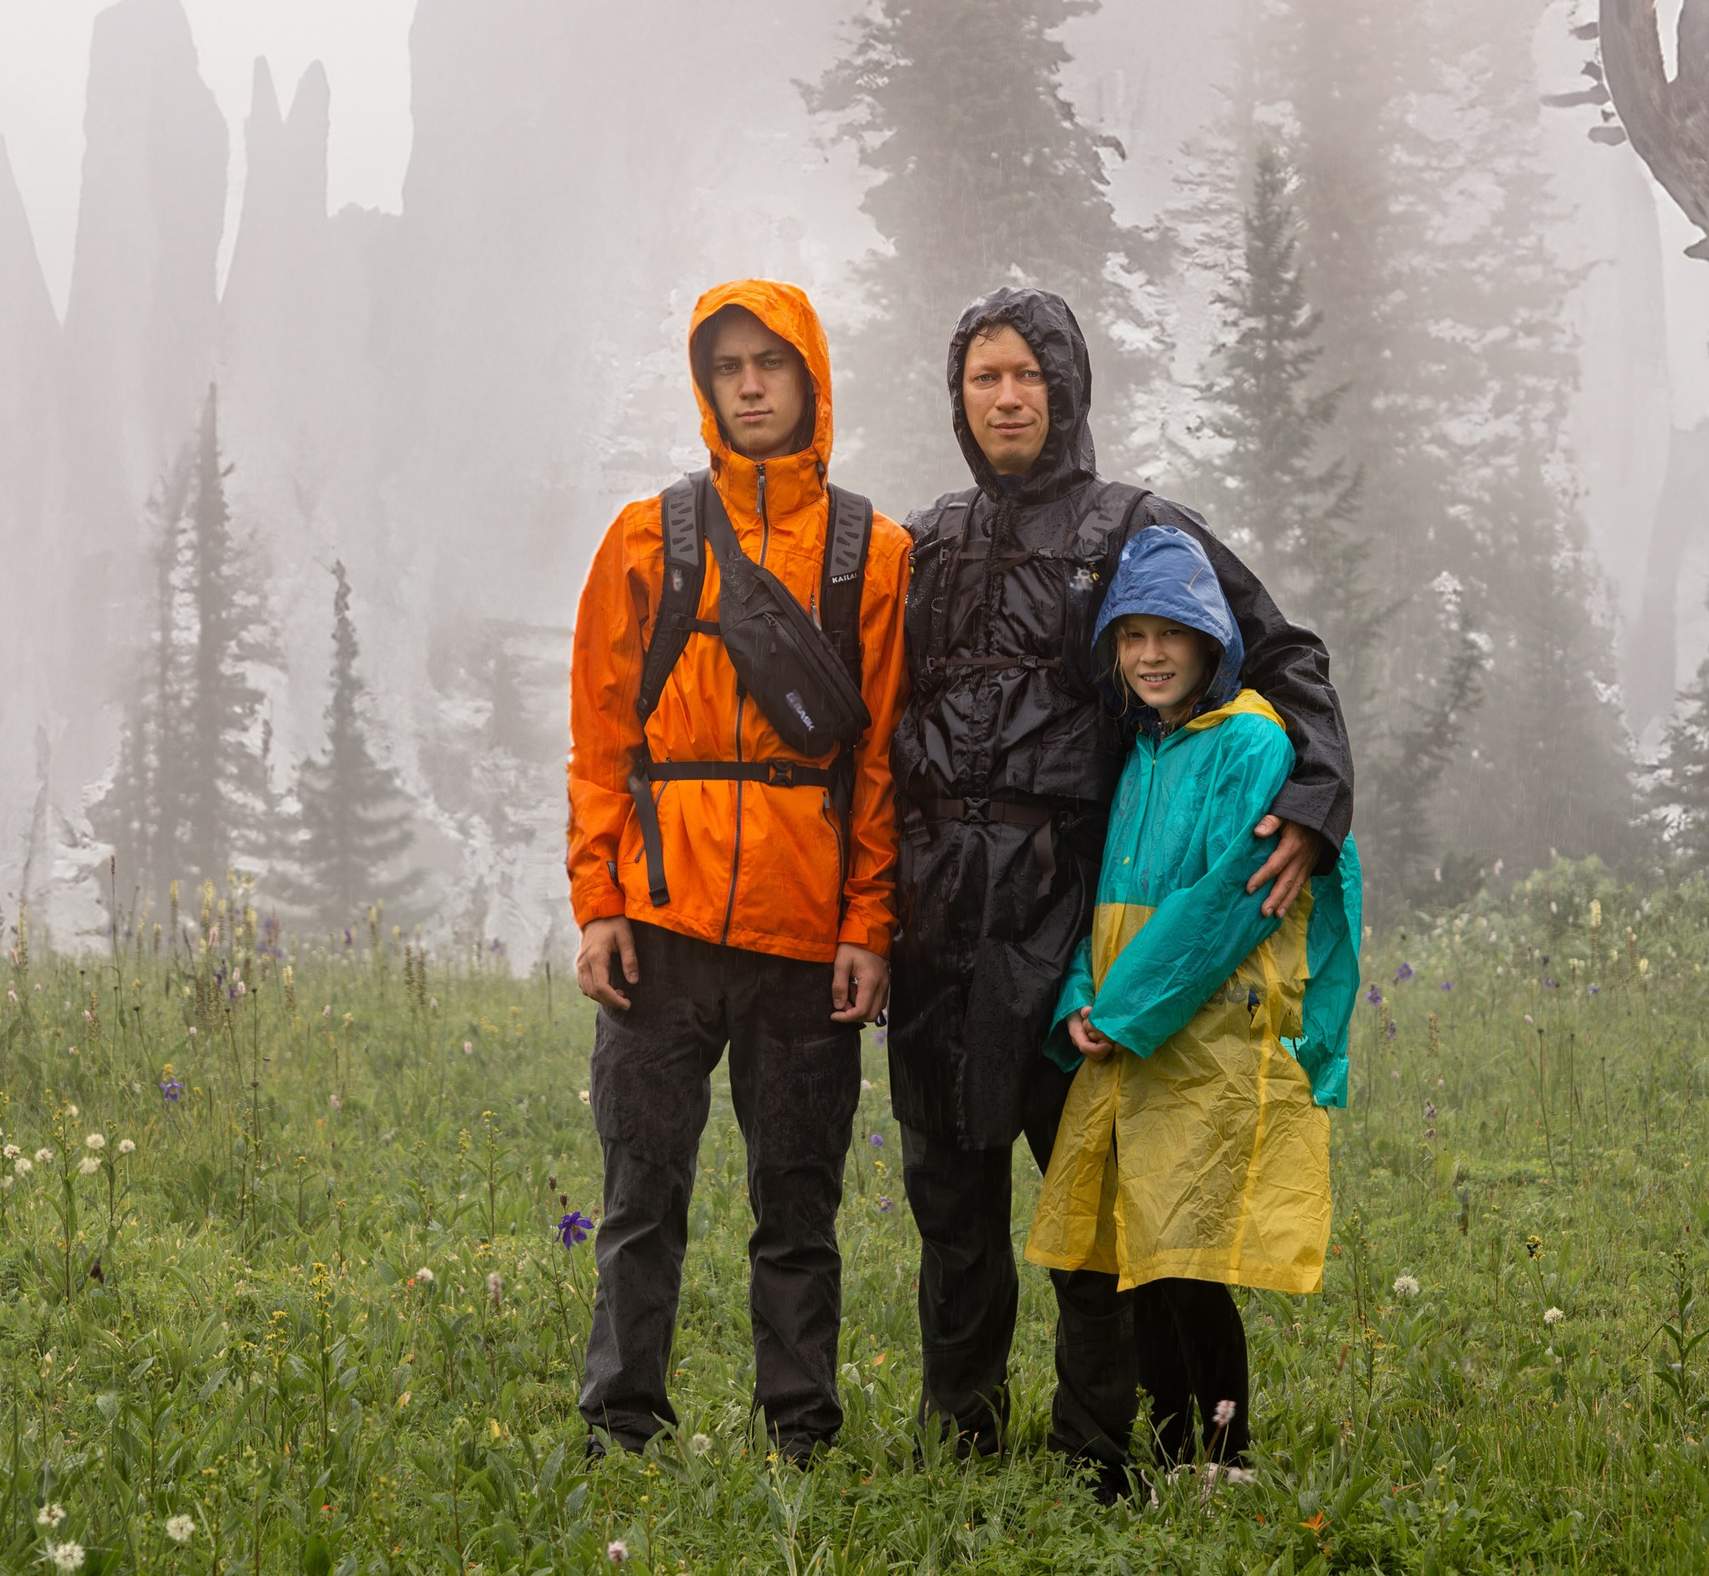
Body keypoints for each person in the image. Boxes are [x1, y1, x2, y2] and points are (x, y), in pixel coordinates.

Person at [888, 287, 1352, 1493]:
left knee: (1098, 1206)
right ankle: (960, 1438)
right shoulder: (923, 543)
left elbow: (1281, 652)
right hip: (938, 923)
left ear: (1067, 389)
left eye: (1027, 376)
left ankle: (1098, 1450)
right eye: (984, 377)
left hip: (1071, 920)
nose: (1006, 398)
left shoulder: (1136, 528)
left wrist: (1315, 801)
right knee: (950, 1204)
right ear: (957, 398)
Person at [565, 279, 911, 1463]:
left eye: (771, 364)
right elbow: (601, 741)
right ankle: (620, 1428)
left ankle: (800, 1435)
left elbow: (881, 764)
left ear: (811, 378)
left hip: (805, 939)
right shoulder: (644, 539)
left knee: (798, 1205)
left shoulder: (875, 554)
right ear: (704, 385)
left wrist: (867, 924)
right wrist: (599, 905)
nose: (750, 386)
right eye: (728, 367)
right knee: (639, 1195)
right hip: (657, 928)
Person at [1026, 523, 1361, 1473]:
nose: (1151, 654)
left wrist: (1121, 1010)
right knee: (1142, 1243)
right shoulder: (1144, 749)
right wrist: (1081, 997)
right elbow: (1104, 901)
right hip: (1131, 1034)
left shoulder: (1249, 738)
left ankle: (1222, 1452)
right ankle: (1177, 1450)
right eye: (1132, 636)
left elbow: (1227, 905)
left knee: (1191, 1254)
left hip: (1208, 1036)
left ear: (1212, 639)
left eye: (1171, 632)